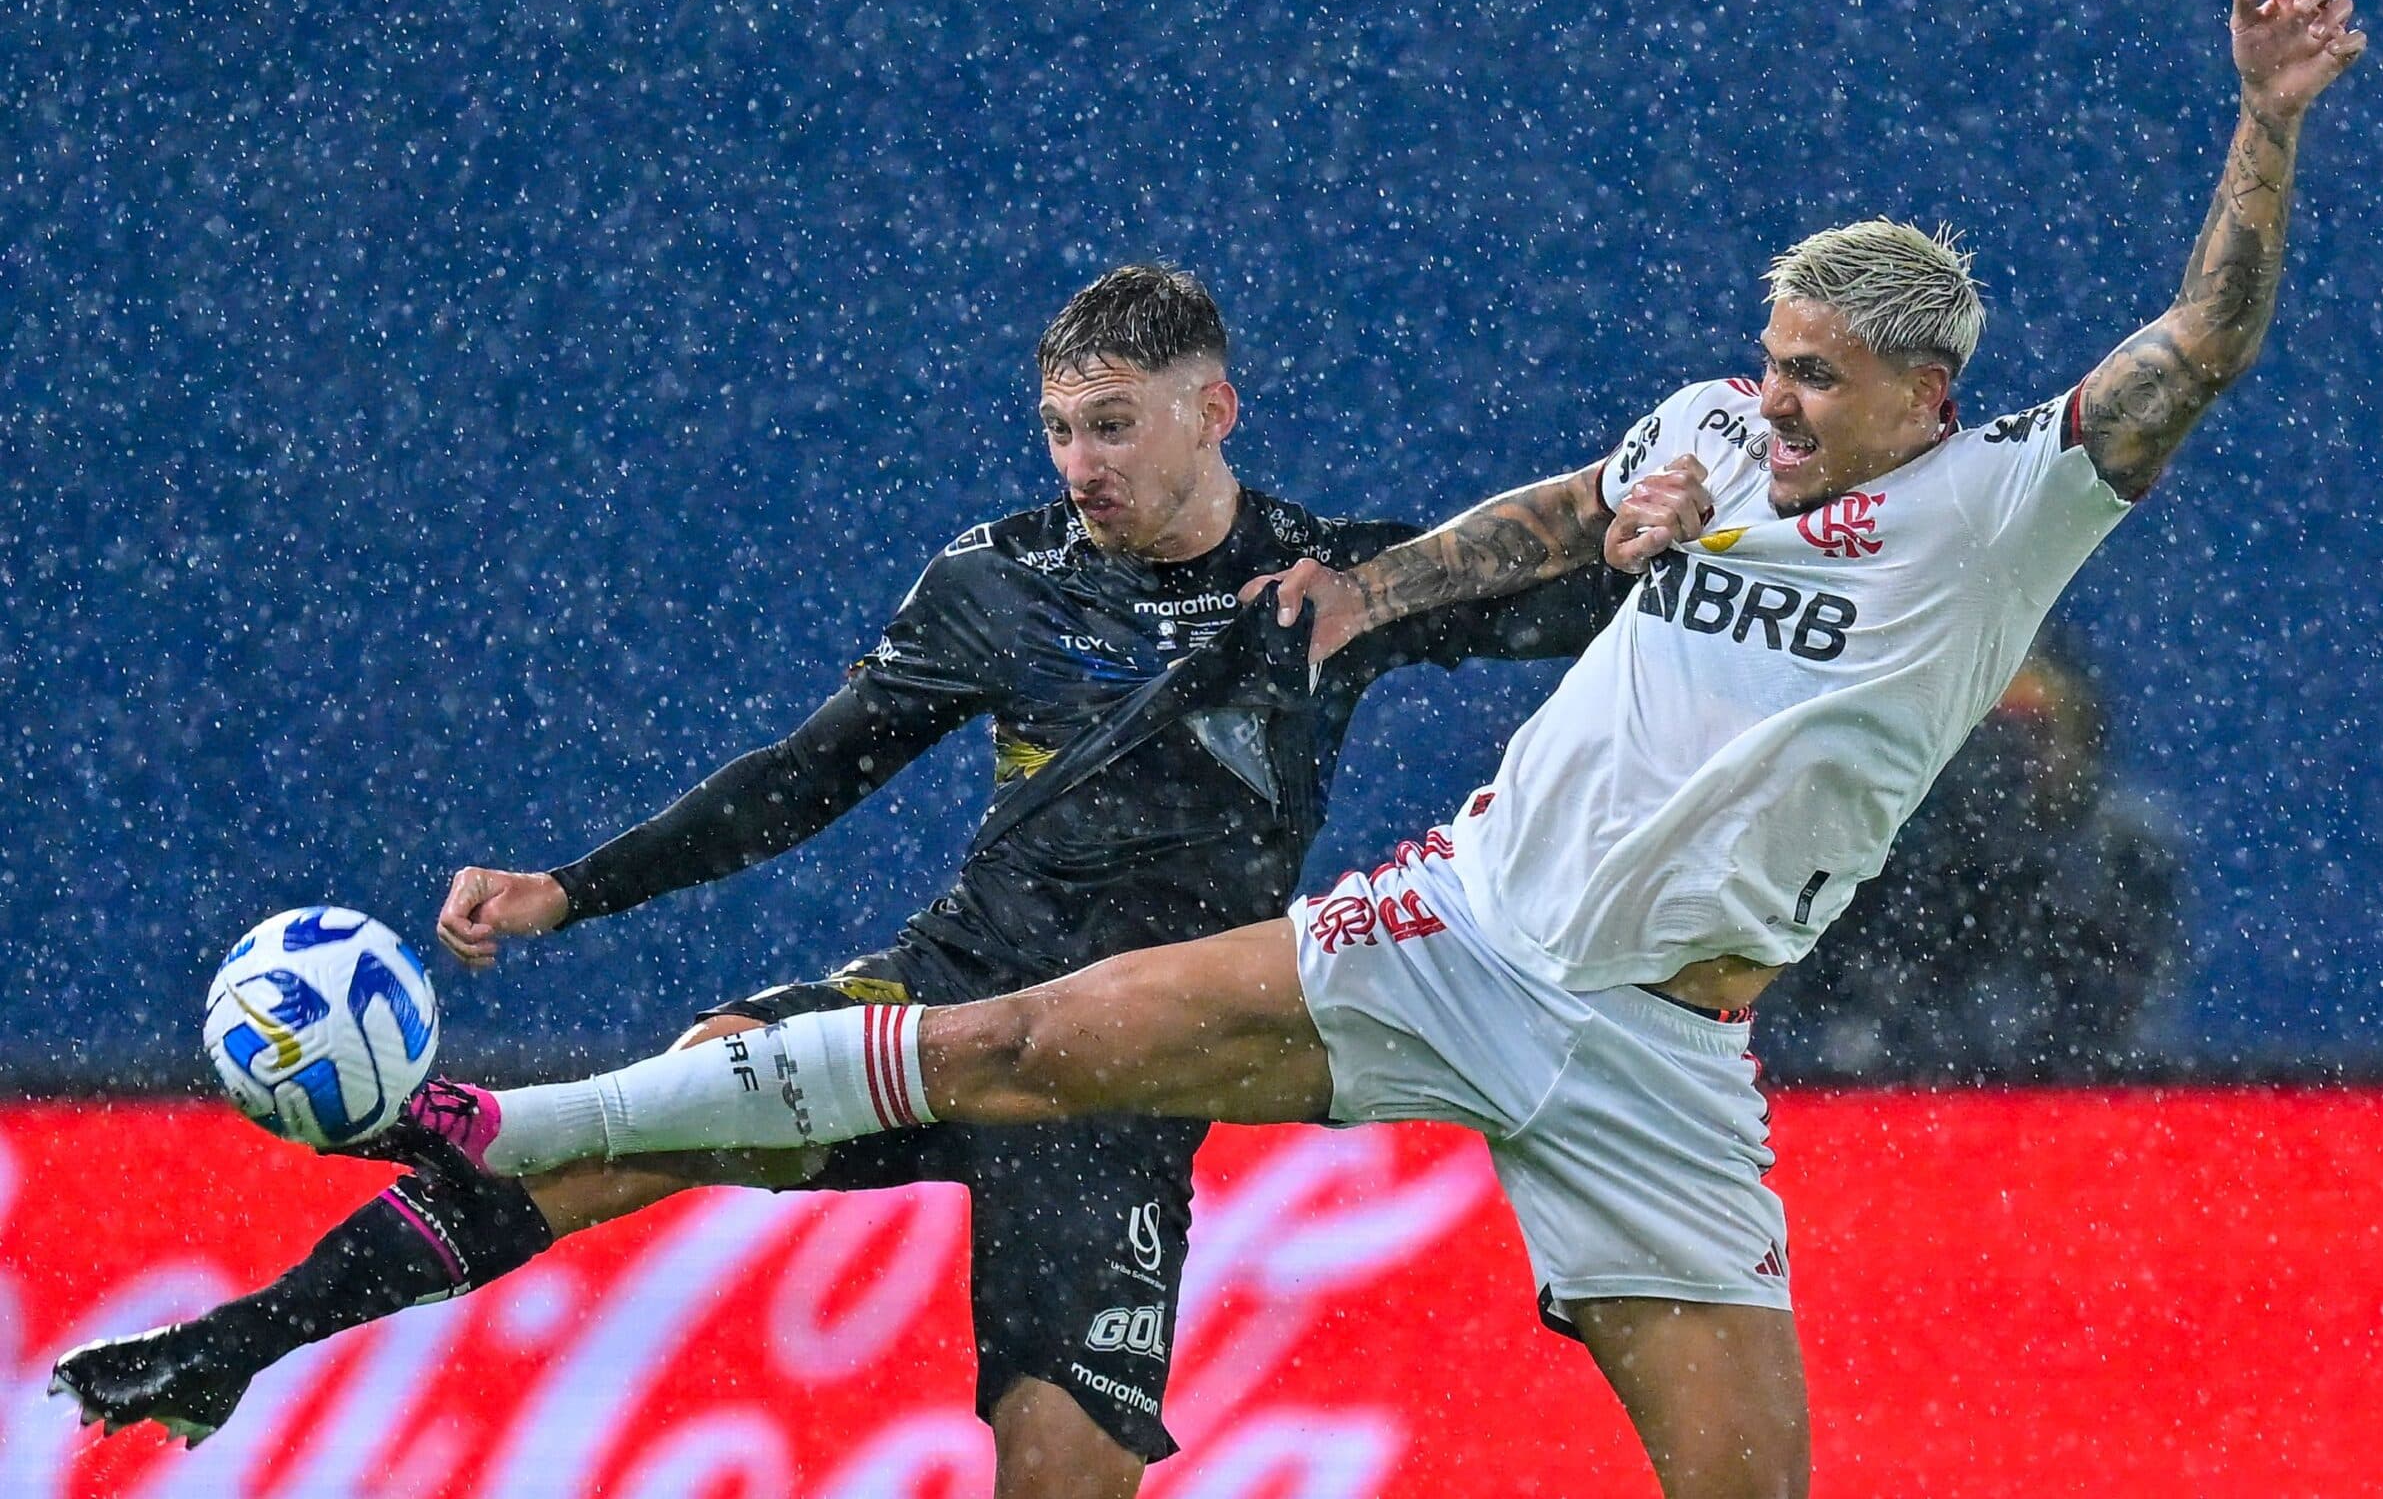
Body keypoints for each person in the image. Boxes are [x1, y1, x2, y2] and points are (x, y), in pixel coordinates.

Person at [242, 0, 2356, 1499]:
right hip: (1457, 930)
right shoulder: (1711, 430)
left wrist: (2264, 121)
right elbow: (1561, 507)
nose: (1771, 396)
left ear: (1919, 386)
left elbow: (2205, 339)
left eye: (1816, 377)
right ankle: (503, 1125)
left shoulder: (2004, 504)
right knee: (1025, 1036)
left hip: (1662, 1050)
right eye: (1769, 357)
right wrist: (1388, 579)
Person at [50, 266, 1624, 1490]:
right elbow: (808, 774)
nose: (1081, 463)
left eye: (1116, 425)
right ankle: (234, 1344)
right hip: (946, 996)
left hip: (1131, 1080)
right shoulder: (999, 580)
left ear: (1217, 409)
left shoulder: (1331, 588)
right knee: (672, 1102)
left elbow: (1584, 611)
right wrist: (572, 891)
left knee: (1063, 1473)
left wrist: (1694, 537)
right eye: (1061, 428)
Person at [1769, 635, 2187, 1081]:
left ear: (2079, 735)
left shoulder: (2119, 860)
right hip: (1893, 1093)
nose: (2012, 759)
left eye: (2035, 731)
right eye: (1994, 730)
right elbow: (1830, 1019)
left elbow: (2114, 1029)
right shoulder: (1885, 853)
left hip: (2070, 1098)